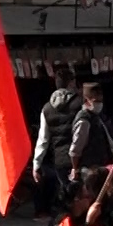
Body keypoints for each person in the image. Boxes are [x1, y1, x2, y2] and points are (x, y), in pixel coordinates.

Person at [33, 66, 80, 215]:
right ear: (71, 83)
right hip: (80, 158)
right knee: (83, 195)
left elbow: (43, 139)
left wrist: (36, 164)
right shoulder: (80, 103)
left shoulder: (47, 109)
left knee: (67, 196)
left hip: (60, 160)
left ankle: (68, 221)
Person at [68, 81, 113, 181]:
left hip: (102, 167)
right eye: (96, 101)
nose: (99, 104)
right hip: (89, 170)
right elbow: (75, 149)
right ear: (87, 100)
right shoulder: (84, 121)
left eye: (101, 101)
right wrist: (75, 168)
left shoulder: (98, 117)